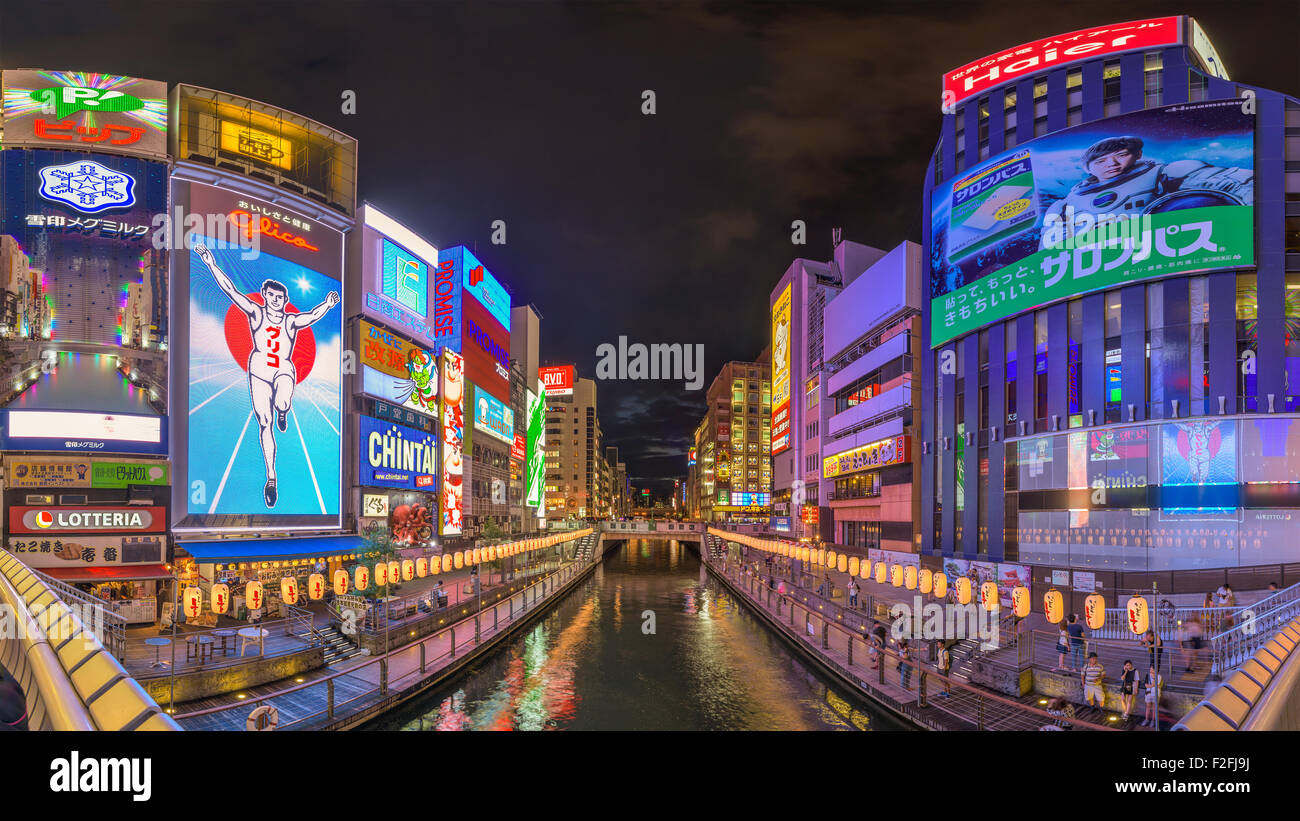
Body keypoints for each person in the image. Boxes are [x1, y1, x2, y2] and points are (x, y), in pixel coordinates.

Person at [195, 243, 340, 508]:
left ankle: (283, 409)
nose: (275, 300)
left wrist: (328, 305)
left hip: (283, 368)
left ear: (285, 300)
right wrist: (210, 263)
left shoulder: (290, 321)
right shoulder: (256, 313)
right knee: (264, 422)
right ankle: (271, 477)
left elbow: (311, 316)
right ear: (264, 295)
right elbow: (230, 290)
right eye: (271, 295)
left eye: (280, 297)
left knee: (282, 402)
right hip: (259, 370)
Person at [1039, 135, 1254, 251]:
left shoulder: (1166, 172)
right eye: (1101, 161)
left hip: (1168, 251)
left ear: (1137, 154)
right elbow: (1048, 256)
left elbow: (1241, 184)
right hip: (1093, 269)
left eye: (1121, 155)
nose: (1111, 164)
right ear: (1088, 168)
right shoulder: (1063, 206)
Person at [1140, 664, 1163, 729]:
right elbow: (1146, 686)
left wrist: (1153, 679)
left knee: (1154, 708)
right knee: (1147, 707)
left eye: (1152, 669)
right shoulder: (1147, 675)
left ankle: (1153, 721)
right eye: (1150, 669)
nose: (1151, 670)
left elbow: (1156, 685)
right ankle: (1146, 719)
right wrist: (1153, 685)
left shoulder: (1159, 676)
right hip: (1148, 693)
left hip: (1156, 694)